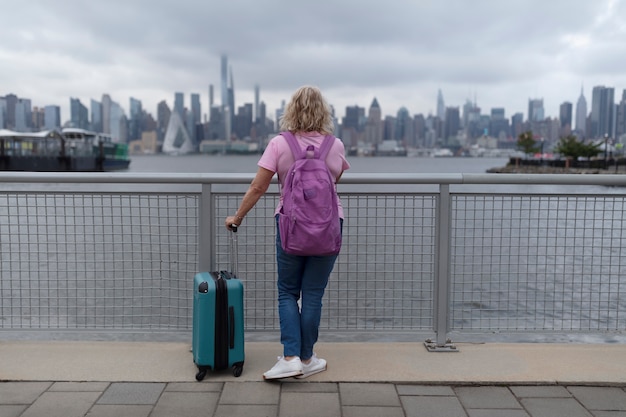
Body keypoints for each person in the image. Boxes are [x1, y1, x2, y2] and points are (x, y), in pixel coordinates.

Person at [225, 85, 350, 380]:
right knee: (314, 294)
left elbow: (258, 186)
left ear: (290, 110)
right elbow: (336, 179)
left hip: (291, 226)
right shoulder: (336, 145)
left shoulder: (279, 144)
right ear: (324, 111)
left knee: (287, 292)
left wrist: (238, 217)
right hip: (329, 226)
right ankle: (308, 359)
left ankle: (291, 356)